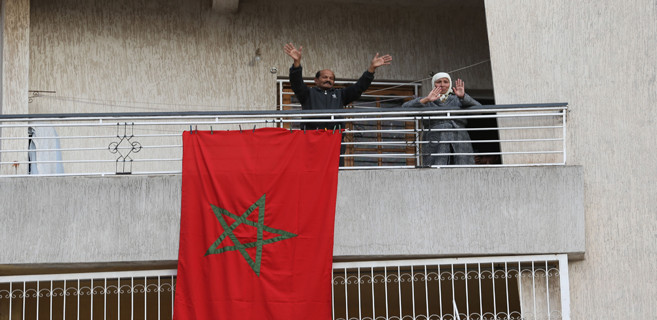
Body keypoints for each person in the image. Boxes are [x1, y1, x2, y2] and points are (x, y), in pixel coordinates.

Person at [283, 43, 392, 130]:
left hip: (335, 138)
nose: (328, 80)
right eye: (324, 77)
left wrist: (371, 69)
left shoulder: (340, 95)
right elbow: (296, 83)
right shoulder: (308, 94)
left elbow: (359, 87)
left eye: (331, 78)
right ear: (316, 80)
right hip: (311, 137)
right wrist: (296, 63)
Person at [402, 72, 481, 166]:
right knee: (436, 168)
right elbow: (404, 109)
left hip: (459, 138)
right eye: (439, 82)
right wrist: (426, 100)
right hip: (435, 140)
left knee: (462, 167)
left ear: (450, 84)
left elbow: (479, 110)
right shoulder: (427, 100)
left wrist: (463, 97)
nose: (442, 85)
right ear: (433, 84)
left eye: (445, 82)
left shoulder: (458, 99)